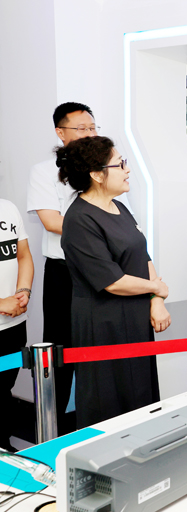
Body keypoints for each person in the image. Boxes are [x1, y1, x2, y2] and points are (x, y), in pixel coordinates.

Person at [27, 103, 128, 435]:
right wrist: (95, 229)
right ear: (60, 132)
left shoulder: (106, 169)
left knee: (100, 350)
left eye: (93, 127)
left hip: (105, 270)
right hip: (64, 273)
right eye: (81, 129)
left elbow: (118, 219)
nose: (89, 133)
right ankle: (50, 435)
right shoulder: (44, 171)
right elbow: (51, 221)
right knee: (60, 353)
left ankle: (101, 429)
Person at [58, 136, 171, 428]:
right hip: (103, 324)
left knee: (141, 394)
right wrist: (156, 288)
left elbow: (143, 256)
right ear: (97, 175)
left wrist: (156, 301)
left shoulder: (120, 207)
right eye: (120, 164)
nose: (127, 169)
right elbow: (112, 281)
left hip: (135, 317)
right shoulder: (79, 219)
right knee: (107, 400)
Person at [0, 199, 33, 451]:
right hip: (6, 311)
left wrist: (23, 291)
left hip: (13, 324)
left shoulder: (8, 208)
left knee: (4, 389)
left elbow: (23, 255)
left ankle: (4, 446)